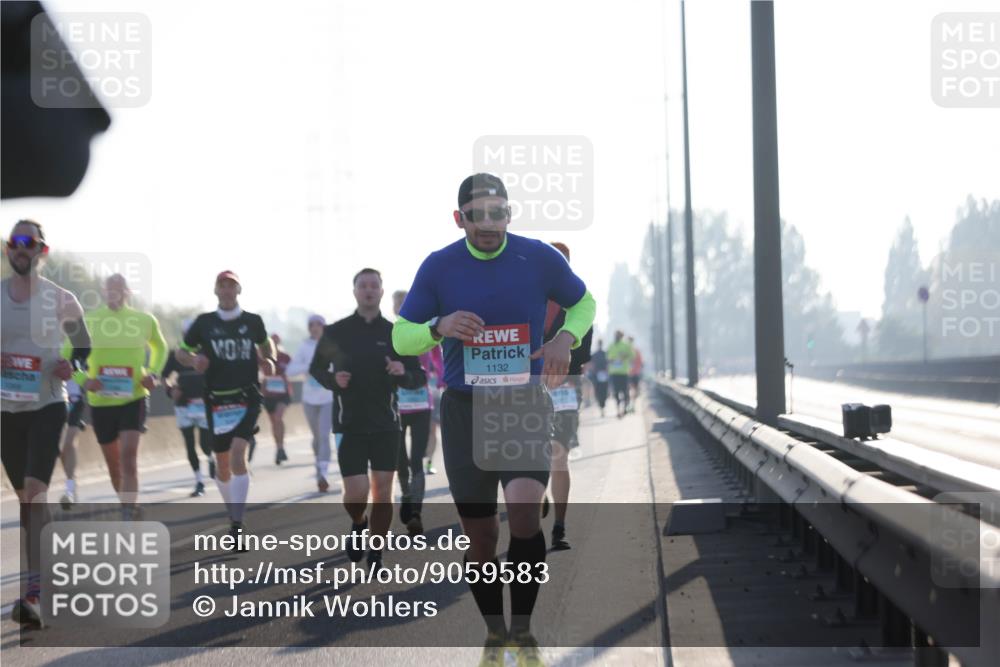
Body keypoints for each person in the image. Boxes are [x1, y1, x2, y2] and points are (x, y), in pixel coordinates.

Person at [393, 174, 596, 665]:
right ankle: (494, 632)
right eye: (477, 214)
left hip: (522, 403)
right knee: (481, 539)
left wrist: (564, 339)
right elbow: (402, 337)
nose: (489, 223)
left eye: (498, 212)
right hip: (464, 409)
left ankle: (523, 633)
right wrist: (437, 327)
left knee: (525, 515)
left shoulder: (538, 257)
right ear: (459, 217)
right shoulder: (439, 267)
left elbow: (583, 302)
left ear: (510, 213)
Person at [2, 220, 90, 625]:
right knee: (26, 501)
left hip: (48, 405)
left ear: (42, 250)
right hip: (5, 411)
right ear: (7, 250)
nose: (21, 248)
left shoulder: (61, 299)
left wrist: (71, 365)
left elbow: (84, 347)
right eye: (15, 242)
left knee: (36, 493)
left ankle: (33, 595)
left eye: (29, 242)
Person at [310, 269, 425, 571]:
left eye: (374, 285)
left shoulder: (395, 333)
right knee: (356, 493)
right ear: (355, 291)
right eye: (363, 285)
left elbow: (418, 377)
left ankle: (376, 551)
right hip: (349, 423)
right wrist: (334, 380)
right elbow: (316, 369)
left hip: (387, 422)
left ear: (382, 292)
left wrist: (403, 372)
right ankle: (358, 523)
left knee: (383, 491)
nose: (369, 290)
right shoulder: (337, 332)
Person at [176, 270, 277, 547]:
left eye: (232, 285)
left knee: (236, 455)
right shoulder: (204, 323)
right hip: (216, 399)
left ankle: (236, 521)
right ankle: (232, 510)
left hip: (247, 396)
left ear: (239, 290)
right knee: (221, 467)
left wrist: (269, 360)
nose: (228, 290)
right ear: (216, 291)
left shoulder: (252, 321)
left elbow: (266, 345)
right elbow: (181, 352)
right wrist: (192, 360)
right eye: (223, 285)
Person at [67, 273, 167, 515]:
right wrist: (83, 379)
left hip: (134, 396)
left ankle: (128, 512)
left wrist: (153, 374)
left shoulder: (144, 320)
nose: (115, 293)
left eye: (119, 289)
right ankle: (127, 505)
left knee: (128, 456)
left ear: (128, 292)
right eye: (110, 289)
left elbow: (160, 347)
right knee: (114, 464)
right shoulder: (89, 321)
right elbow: (67, 355)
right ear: (104, 291)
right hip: (101, 401)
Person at [543, 242, 593, 552]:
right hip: (525, 390)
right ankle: (538, 492)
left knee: (558, 455)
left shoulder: (579, 305)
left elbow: (581, 355)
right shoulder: (524, 299)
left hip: (564, 390)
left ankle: (559, 527)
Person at [391, 289, 443, 536]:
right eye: (397, 303)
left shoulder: (428, 330)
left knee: (416, 459)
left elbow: (438, 361)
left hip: (422, 401)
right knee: (400, 458)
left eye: (404, 302)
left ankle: (416, 513)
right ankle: (407, 495)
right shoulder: (389, 333)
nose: (400, 306)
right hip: (397, 406)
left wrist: (441, 378)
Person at [163, 319, 214, 497]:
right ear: (183, 335)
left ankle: (211, 457)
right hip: (183, 405)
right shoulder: (176, 354)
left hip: (204, 404)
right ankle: (199, 481)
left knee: (205, 444)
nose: (190, 337)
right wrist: (171, 390)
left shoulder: (207, 352)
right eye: (186, 334)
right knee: (189, 444)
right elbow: (164, 377)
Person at [286, 314, 334, 492]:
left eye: (318, 324)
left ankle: (323, 474)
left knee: (323, 435)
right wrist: (310, 367)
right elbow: (290, 370)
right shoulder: (304, 346)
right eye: (311, 325)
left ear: (323, 326)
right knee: (316, 438)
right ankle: (318, 464)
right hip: (309, 399)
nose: (314, 327)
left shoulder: (331, 344)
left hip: (328, 397)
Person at [262, 333, 292, 465]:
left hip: (283, 394)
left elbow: (294, 370)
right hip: (268, 395)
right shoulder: (262, 358)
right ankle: (279, 448)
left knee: (279, 417)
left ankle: (280, 447)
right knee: (274, 422)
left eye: (276, 342)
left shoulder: (285, 357)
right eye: (271, 343)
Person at [58, 378, 86, 508]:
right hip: (54, 400)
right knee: (62, 448)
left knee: (68, 444)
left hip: (74, 399)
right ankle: (72, 484)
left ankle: (69, 490)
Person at [606, 330, 634, 419]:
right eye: (616, 335)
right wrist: (612, 360)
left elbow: (632, 355)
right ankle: (618, 410)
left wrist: (624, 356)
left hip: (624, 372)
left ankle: (625, 407)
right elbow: (607, 357)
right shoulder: (611, 345)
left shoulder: (626, 345)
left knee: (625, 391)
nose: (617, 337)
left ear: (621, 336)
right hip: (614, 373)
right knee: (616, 392)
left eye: (618, 335)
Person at [588, 340, 609, 418]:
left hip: (601, 375)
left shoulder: (604, 354)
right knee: (600, 392)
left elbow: (607, 364)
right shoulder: (599, 354)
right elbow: (592, 365)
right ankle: (602, 407)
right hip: (598, 375)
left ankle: (602, 407)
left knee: (602, 391)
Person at [628, 336, 643, 406]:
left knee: (630, 389)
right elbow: (641, 362)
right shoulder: (636, 350)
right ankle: (632, 404)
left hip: (629, 373)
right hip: (634, 373)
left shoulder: (627, 350)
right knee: (634, 389)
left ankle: (631, 404)